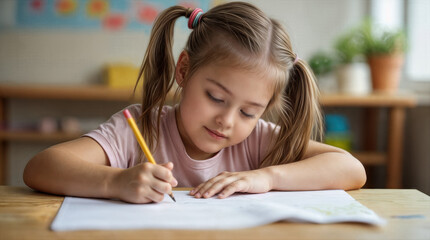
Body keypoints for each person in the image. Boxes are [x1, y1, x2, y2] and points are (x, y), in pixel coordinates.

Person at [23, 2, 366, 204]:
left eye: (249, 111)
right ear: (184, 70)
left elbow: (351, 169)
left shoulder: (260, 139)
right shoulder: (142, 127)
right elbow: (41, 167)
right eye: (216, 97)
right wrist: (115, 182)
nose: (227, 120)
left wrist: (267, 177)